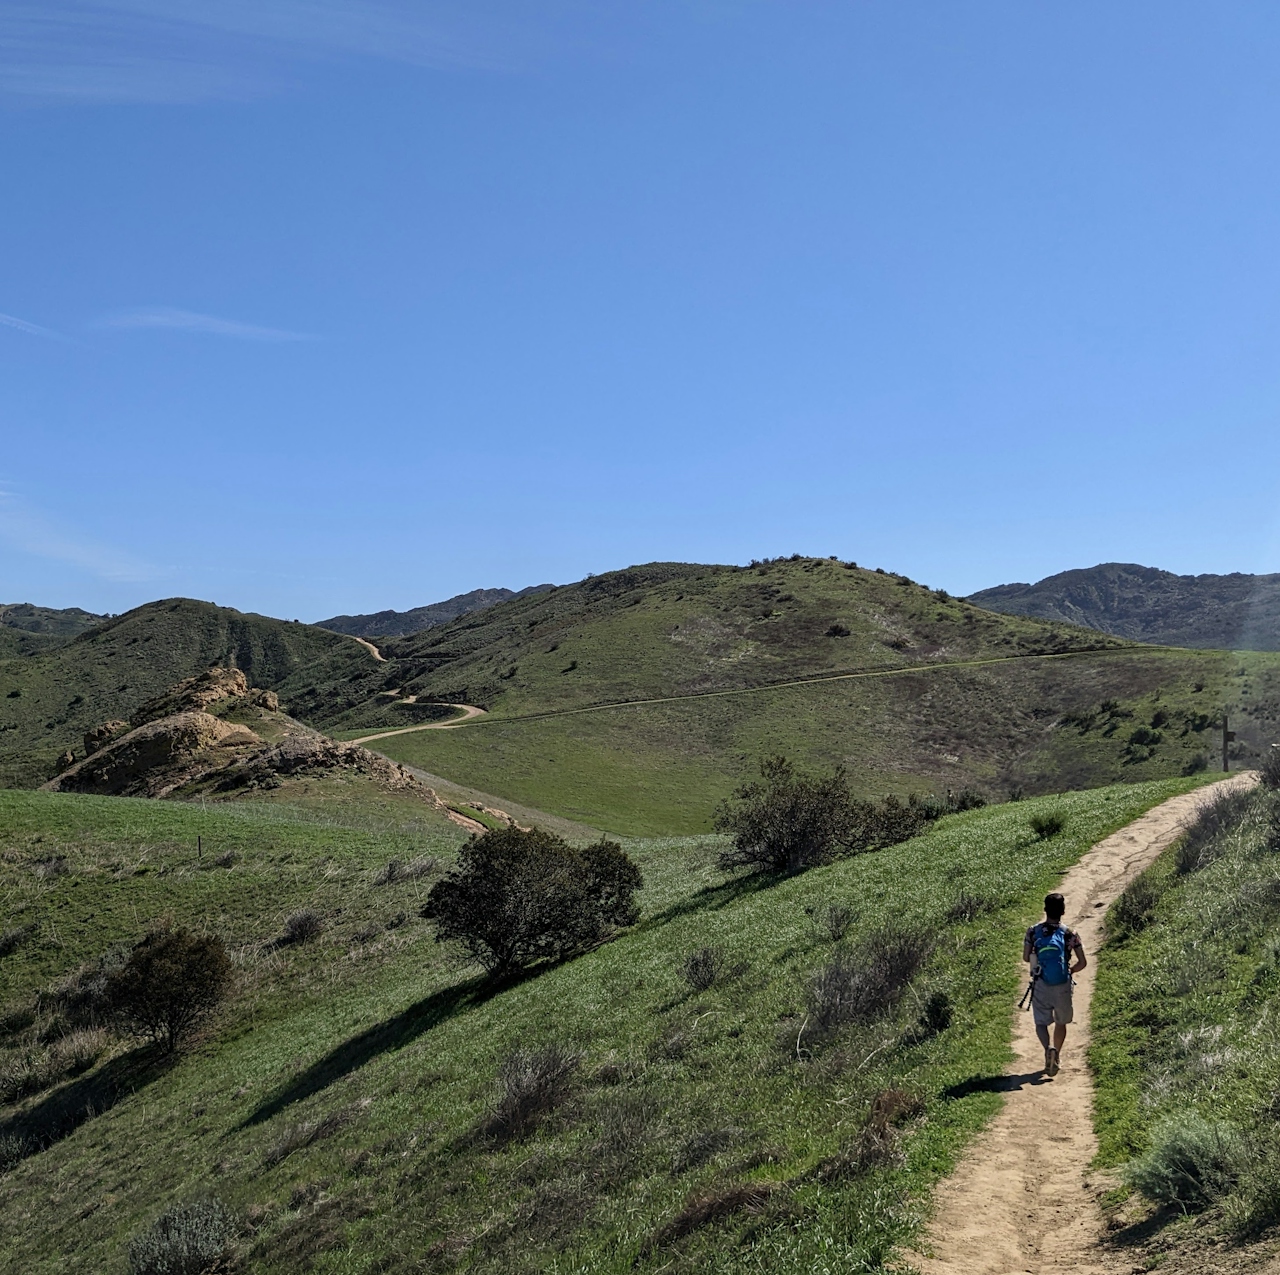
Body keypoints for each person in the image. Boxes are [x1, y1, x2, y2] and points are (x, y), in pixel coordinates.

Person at [1023, 891, 1086, 1076]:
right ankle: (1056, 1054)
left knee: (1041, 1022)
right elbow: (1082, 962)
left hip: (1041, 983)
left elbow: (1026, 957)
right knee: (1061, 1022)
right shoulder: (1070, 934)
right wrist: (1070, 971)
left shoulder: (1033, 932)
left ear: (1045, 910)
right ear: (1063, 911)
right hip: (1062, 984)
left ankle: (1047, 1049)